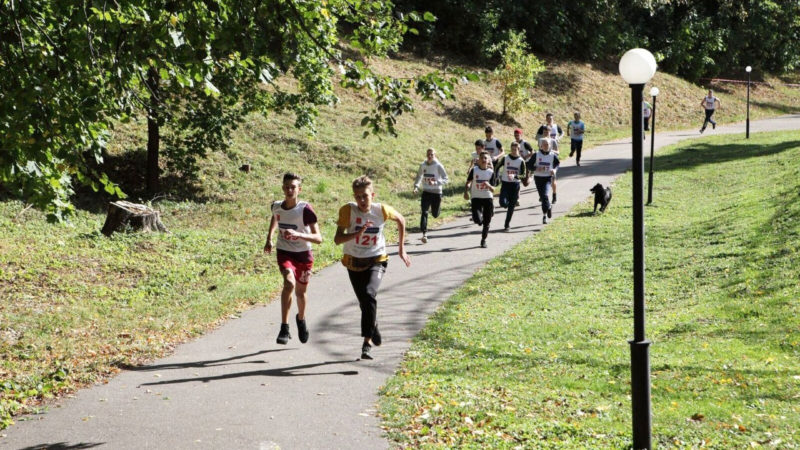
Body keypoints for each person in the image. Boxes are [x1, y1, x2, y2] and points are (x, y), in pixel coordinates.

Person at [335, 175, 411, 360]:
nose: (361, 200)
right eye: (358, 196)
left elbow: (401, 220)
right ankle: (373, 325)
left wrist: (401, 249)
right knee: (364, 303)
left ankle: (366, 343)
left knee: (369, 294)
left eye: (365, 196)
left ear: (373, 195)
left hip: (376, 259)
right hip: (354, 261)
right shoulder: (348, 211)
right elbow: (337, 239)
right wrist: (357, 233)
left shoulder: (381, 210)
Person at [264, 172, 323, 345]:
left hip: (304, 254)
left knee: (300, 292)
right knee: (289, 283)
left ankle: (301, 319)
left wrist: (298, 234)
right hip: (285, 251)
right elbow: (275, 218)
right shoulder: (276, 206)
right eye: (287, 187)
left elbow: (318, 238)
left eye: (293, 187)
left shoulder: (305, 210)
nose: (290, 190)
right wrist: (269, 238)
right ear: (283, 188)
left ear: (299, 189)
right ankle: (284, 326)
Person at [413, 148, 449, 243]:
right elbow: (419, 176)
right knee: (424, 212)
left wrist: (436, 182)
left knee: (435, 214)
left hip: (436, 193)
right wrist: (416, 187)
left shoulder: (438, 165)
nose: (429, 156)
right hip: (426, 192)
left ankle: (438, 208)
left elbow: (446, 179)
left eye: (431, 155)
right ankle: (424, 233)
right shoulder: (423, 165)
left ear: (435, 155)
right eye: (428, 154)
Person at [464, 151, 495, 248]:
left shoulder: (491, 173)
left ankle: (483, 240)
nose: (483, 160)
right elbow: (468, 182)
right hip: (476, 197)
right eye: (482, 158)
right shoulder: (474, 170)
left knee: (487, 222)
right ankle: (479, 220)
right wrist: (466, 190)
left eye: (485, 158)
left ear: (488, 160)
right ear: (479, 160)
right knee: (477, 219)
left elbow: (494, 189)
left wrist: (489, 185)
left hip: (487, 197)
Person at [495, 141, 528, 231]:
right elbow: (497, 167)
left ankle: (507, 225)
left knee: (511, 207)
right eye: (512, 149)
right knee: (502, 203)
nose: (513, 151)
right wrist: (496, 177)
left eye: (515, 149)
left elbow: (524, 175)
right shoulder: (505, 158)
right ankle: (507, 205)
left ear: (518, 149)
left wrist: (515, 176)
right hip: (505, 184)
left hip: (515, 185)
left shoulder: (521, 161)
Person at [532, 138, 560, 224]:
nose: (545, 146)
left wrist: (554, 170)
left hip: (547, 178)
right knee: (543, 197)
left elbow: (557, 163)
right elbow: (529, 165)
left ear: (550, 146)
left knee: (545, 195)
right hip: (538, 178)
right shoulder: (536, 154)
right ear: (541, 146)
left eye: (547, 144)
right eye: (544, 145)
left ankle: (544, 216)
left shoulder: (552, 155)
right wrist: (537, 168)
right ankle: (549, 207)